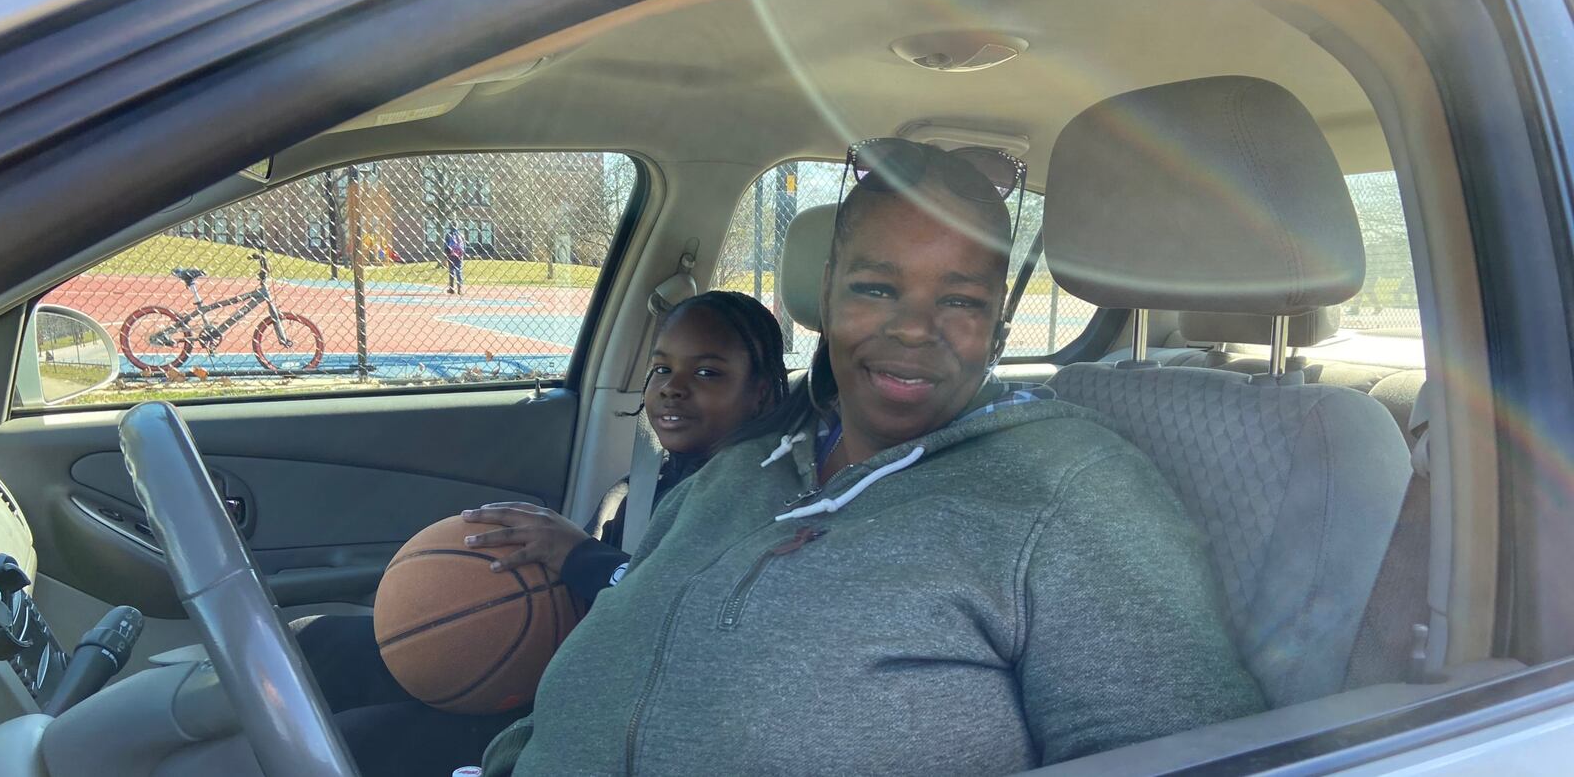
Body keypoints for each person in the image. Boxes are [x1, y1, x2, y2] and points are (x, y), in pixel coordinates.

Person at [484, 139, 1263, 776]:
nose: (915, 328)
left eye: (959, 300)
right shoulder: (737, 472)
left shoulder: (1073, 495)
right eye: (877, 289)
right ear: (826, 294)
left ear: (998, 322)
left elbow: (1184, 757)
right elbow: (608, 660)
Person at [291, 291, 790, 777]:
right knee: (313, 644)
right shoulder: (648, 484)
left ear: (762, 392)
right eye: (661, 369)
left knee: (355, 742)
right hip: (562, 659)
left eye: (707, 373)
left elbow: (688, 617)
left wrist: (580, 558)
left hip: (610, 712)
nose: (672, 387)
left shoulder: (764, 505)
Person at [444, 226, 466, 295]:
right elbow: (464, 246)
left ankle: (451, 288)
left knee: (451, 272)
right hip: (459, 256)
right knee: (459, 271)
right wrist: (462, 254)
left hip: (451, 255)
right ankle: (459, 289)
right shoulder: (461, 235)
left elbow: (446, 246)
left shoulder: (448, 235)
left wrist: (446, 256)